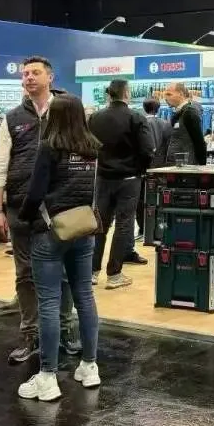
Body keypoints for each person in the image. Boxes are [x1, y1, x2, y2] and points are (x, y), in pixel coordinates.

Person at [0, 56, 79, 364]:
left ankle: (64, 331)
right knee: (25, 274)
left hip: (60, 207)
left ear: (50, 77)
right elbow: (0, 166)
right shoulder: (12, 118)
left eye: (35, 72)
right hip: (21, 208)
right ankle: (30, 335)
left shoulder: (67, 112)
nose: (28, 77)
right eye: (25, 73)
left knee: (63, 272)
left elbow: (83, 156)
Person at [17, 94, 102, 401]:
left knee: (49, 302)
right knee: (85, 297)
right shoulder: (92, 148)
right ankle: (90, 366)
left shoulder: (49, 147)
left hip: (51, 232)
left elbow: (35, 192)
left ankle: (48, 376)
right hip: (84, 229)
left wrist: (24, 218)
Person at [89, 80, 155, 288]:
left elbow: (88, 147)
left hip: (102, 178)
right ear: (127, 93)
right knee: (124, 224)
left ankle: (92, 272)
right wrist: (141, 169)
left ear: (109, 94)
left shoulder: (95, 118)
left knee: (100, 224)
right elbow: (148, 149)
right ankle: (114, 274)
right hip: (129, 179)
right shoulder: (136, 117)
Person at [131, 98, 171, 252]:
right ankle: (160, 230)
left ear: (143, 108)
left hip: (143, 167)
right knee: (161, 199)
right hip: (161, 168)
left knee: (141, 199)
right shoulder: (166, 124)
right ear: (159, 108)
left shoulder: (139, 123)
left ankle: (143, 229)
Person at [164, 82, 207, 165]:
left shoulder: (189, 112)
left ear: (181, 94)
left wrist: (202, 165)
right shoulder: (178, 113)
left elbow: (199, 141)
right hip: (176, 164)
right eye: (165, 95)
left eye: (169, 94)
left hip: (187, 165)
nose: (166, 98)